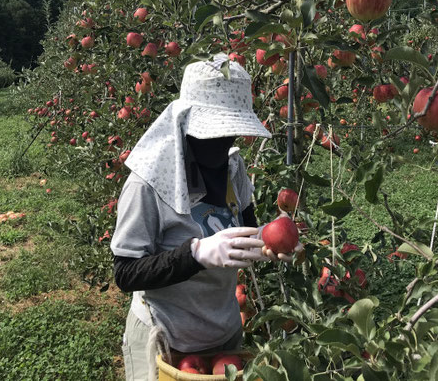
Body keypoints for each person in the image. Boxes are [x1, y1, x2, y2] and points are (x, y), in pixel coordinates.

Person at [110, 54, 300, 381]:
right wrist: (195, 254)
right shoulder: (148, 183)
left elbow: (246, 232)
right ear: (185, 123)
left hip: (224, 338)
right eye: (213, 132)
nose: (224, 142)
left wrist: (268, 243)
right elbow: (126, 273)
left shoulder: (232, 167)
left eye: (232, 132)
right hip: (165, 342)